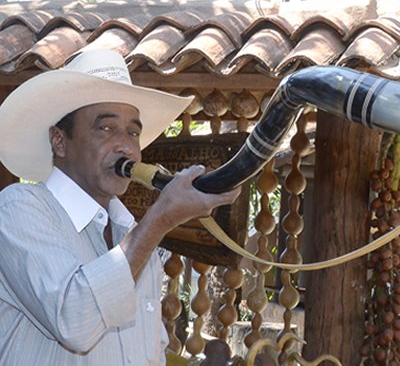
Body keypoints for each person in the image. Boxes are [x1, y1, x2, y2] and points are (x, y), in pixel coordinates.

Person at [0, 49, 240, 365]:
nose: (126, 147)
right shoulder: (18, 209)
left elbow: (149, 351)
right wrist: (160, 219)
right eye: (106, 128)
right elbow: (75, 319)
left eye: (133, 132)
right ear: (59, 141)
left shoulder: (130, 233)